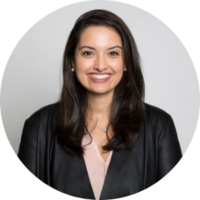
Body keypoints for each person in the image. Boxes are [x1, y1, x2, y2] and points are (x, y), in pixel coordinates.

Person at [17, 9, 183, 199]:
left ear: (126, 61)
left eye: (112, 53)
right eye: (88, 53)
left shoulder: (159, 126)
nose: (100, 65)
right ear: (72, 61)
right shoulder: (38, 128)